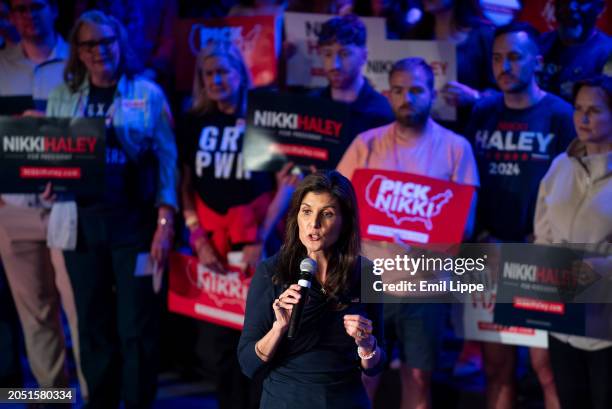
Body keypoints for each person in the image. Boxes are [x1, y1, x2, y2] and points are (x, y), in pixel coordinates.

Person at [46, 10, 178, 408]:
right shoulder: (63, 97)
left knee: (136, 326)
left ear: (120, 44)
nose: (99, 50)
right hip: (81, 227)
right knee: (92, 323)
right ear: (78, 51)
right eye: (89, 44)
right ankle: (100, 402)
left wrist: (165, 221)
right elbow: (51, 160)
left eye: (107, 41)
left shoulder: (148, 94)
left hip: (135, 227)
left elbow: (170, 162)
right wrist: (47, 182)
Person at [337, 57, 479, 409]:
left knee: (418, 382)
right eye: (399, 90)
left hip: (425, 289)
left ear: (432, 94)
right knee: (363, 378)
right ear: (388, 94)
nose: (407, 99)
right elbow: (338, 207)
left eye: (416, 90)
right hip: (370, 286)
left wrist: (422, 235)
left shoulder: (455, 147)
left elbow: (466, 225)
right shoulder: (365, 144)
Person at [465, 22, 576, 409]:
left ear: (537, 62)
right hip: (488, 253)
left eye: (514, 57)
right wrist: (477, 235)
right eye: (497, 58)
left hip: (540, 256)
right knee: (497, 368)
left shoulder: (562, 116)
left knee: (549, 369)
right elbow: (468, 181)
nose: (504, 66)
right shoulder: (482, 112)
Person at [180, 40, 291, 409]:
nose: (215, 80)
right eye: (208, 74)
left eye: (223, 72)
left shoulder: (262, 118)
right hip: (211, 247)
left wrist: (262, 236)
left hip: (259, 243)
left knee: (261, 337)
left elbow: (284, 184)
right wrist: (197, 237)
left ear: (240, 74)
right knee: (218, 347)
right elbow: (185, 185)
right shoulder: (195, 121)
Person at [238, 170, 386, 409]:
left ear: (345, 221)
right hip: (286, 400)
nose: (313, 224)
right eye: (306, 211)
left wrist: (367, 345)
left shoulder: (366, 273)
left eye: (326, 214)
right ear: (296, 215)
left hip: (345, 401)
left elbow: (376, 365)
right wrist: (278, 329)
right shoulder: (272, 271)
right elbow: (247, 364)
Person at [0, 0, 86, 396]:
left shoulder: (78, 62)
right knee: (34, 314)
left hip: (68, 206)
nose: (28, 14)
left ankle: (91, 396)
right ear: (11, 15)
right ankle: (50, 398)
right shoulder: (2, 64)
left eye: (37, 5)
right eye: (20, 8)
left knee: (79, 309)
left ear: (54, 10)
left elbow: (90, 130)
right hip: (12, 207)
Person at [534, 75, 612, 409]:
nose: (582, 118)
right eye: (578, 109)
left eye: (593, 110)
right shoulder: (559, 166)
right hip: (563, 318)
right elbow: (542, 233)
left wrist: (597, 269)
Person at [313, 14, 395, 147]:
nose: (335, 65)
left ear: (364, 56)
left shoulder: (383, 114)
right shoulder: (310, 107)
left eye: (344, 54)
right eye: (327, 54)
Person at [539, 0, 612, 101]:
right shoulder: (539, 43)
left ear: (599, 8)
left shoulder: (609, 54)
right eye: (564, 1)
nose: (569, 7)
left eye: (581, 1)